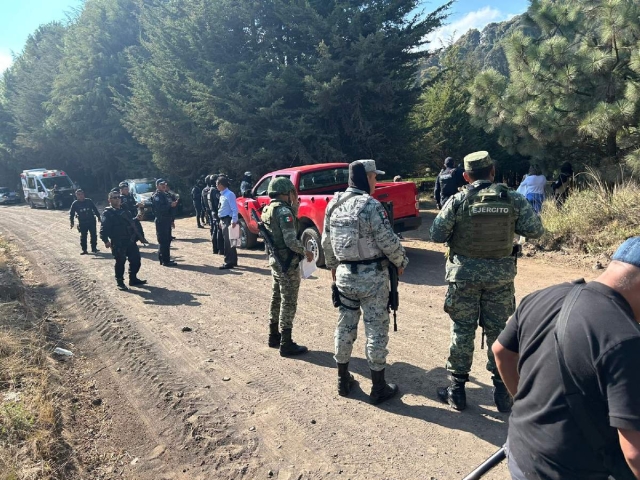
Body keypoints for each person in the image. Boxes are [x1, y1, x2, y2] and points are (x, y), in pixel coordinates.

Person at [493, 236, 640, 479]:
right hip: (572, 470)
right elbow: (634, 454)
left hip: (521, 452)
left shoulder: (544, 296)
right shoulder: (626, 339)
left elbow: (501, 352)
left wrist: (529, 405)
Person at [429, 151, 545, 413]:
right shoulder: (512, 199)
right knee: (499, 332)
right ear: (492, 171)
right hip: (500, 279)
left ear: (467, 176)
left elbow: (436, 234)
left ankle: (457, 391)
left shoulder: (459, 200)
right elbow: (536, 231)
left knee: (462, 329)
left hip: (464, 278)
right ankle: (503, 393)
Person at [321, 159, 409, 405]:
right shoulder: (371, 205)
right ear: (367, 178)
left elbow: (326, 241)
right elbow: (388, 241)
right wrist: (401, 261)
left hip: (344, 275)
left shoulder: (333, 204)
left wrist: (332, 266)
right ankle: (378, 387)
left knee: (344, 326)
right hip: (372, 278)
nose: (376, 182)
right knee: (376, 329)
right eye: (374, 177)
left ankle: (342, 379)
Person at [261, 177, 314, 356]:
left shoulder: (268, 209)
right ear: (286, 192)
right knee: (288, 301)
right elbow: (291, 240)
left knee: (276, 298)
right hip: (287, 263)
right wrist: (305, 252)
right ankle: (286, 342)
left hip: (276, 261)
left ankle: (273, 335)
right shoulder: (284, 211)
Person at [99, 191, 146, 291]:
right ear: (109, 200)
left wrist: (137, 218)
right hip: (118, 241)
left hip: (130, 240)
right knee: (120, 262)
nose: (117, 199)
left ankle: (133, 278)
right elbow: (103, 228)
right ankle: (120, 282)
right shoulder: (108, 213)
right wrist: (105, 240)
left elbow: (130, 221)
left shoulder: (125, 209)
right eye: (114, 198)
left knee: (136, 260)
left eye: (118, 197)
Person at [152, 179, 177, 266]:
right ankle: (164, 260)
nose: (164, 185)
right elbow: (160, 208)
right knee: (163, 241)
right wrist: (170, 205)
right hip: (161, 220)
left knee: (168, 240)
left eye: (164, 184)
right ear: (157, 186)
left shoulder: (165, 194)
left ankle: (165, 259)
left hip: (167, 220)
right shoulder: (157, 196)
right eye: (161, 184)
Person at [69, 189, 101, 254]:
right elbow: (72, 214)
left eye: (81, 194)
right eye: (78, 195)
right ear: (76, 196)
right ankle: (84, 250)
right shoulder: (75, 204)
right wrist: (72, 222)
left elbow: (95, 209)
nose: (80, 196)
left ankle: (94, 248)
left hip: (91, 220)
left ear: (84, 194)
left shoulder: (89, 201)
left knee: (94, 235)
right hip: (82, 222)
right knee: (83, 236)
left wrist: (98, 217)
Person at [216, 175, 238, 270]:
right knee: (229, 241)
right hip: (224, 220)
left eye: (217, 184)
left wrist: (234, 220)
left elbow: (234, 209)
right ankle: (233, 260)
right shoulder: (222, 195)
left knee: (229, 242)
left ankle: (229, 261)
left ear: (221, 184)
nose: (216, 186)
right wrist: (221, 221)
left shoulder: (229, 194)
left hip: (229, 220)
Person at [208, 174, 222, 255]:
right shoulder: (214, 191)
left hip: (213, 212)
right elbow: (218, 203)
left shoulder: (210, 190)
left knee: (215, 231)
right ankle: (218, 249)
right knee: (217, 231)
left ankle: (215, 249)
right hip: (216, 212)